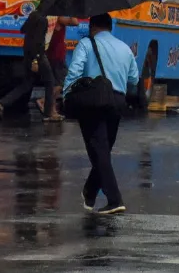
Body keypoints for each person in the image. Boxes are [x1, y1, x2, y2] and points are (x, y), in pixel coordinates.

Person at [64, 13, 139, 215]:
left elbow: (75, 71)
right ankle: (89, 193)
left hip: (93, 101)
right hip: (117, 102)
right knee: (103, 150)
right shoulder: (125, 48)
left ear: (92, 27)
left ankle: (115, 200)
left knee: (98, 150)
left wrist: (66, 94)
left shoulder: (86, 44)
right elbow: (134, 78)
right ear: (110, 27)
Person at [0, 10, 63, 121]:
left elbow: (23, 29)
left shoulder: (34, 15)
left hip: (27, 52)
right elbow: (39, 41)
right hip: (38, 55)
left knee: (27, 83)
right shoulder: (44, 20)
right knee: (50, 82)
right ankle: (48, 113)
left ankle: (2, 102)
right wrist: (36, 60)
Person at [37, 16, 80, 114]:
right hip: (57, 56)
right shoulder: (59, 19)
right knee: (63, 82)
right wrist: (72, 10)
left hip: (52, 54)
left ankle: (51, 109)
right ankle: (44, 101)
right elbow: (75, 22)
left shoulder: (50, 18)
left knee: (55, 83)